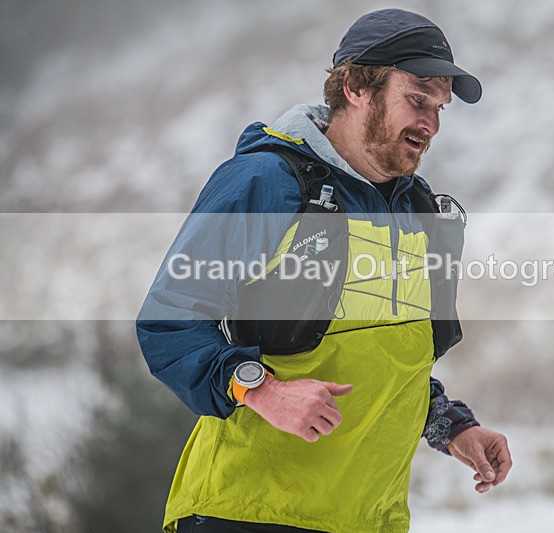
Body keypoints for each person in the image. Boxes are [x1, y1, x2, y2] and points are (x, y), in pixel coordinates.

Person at [137, 8, 512, 533]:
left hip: (368, 518)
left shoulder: (416, 211)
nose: (431, 123)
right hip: (249, 512)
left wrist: (450, 427)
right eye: (417, 100)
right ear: (357, 85)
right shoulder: (267, 181)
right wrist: (260, 389)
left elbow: (380, 356)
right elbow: (170, 318)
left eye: (439, 107)